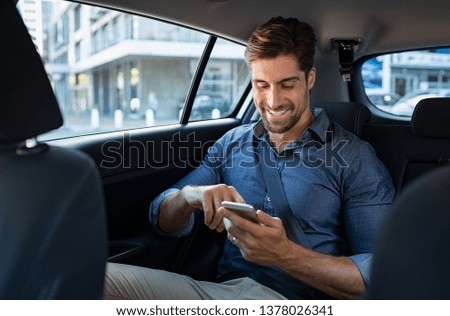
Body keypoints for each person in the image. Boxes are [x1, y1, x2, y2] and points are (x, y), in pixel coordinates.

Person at [104, 16, 394, 300]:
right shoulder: (232, 143)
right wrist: (190, 196)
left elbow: (380, 277)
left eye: (287, 84)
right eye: (262, 85)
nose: (272, 101)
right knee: (94, 278)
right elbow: (162, 220)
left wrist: (285, 255)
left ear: (310, 79)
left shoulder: (354, 157)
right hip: (220, 293)